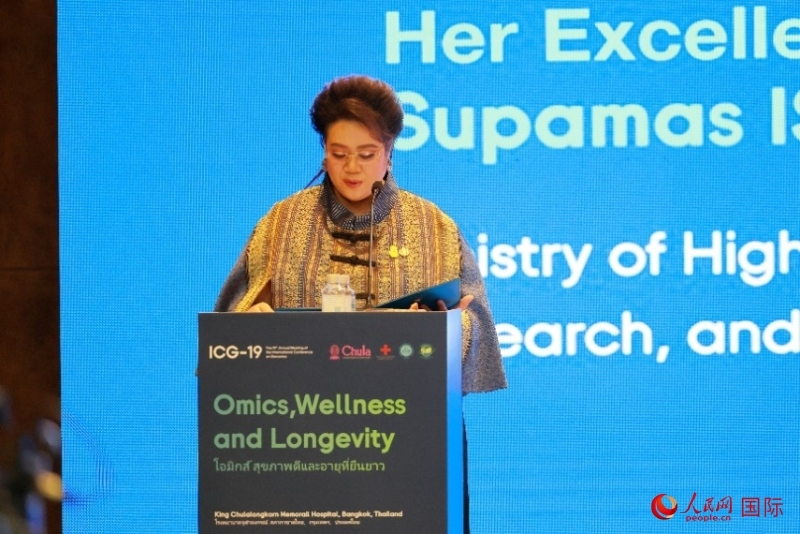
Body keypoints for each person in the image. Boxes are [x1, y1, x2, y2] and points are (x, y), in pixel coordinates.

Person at [214, 74, 506, 532]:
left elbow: (476, 329)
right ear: (323, 152)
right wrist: (252, 328)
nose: (352, 168)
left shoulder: (434, 227)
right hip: (298, 439)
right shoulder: (281, 223)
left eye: (367, 154)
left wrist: (442, 332)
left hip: (412, 438)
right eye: (339, 153)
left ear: (389, 152)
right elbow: (230, 332)